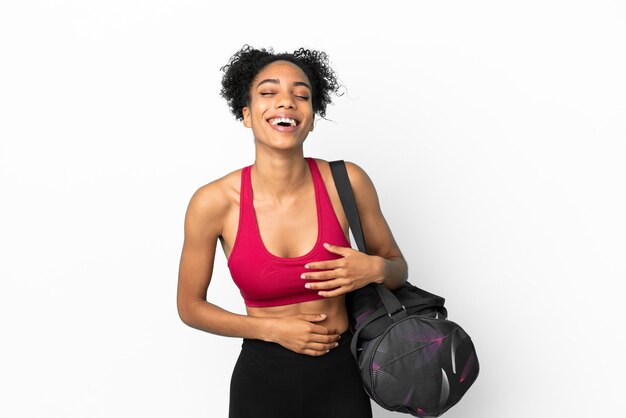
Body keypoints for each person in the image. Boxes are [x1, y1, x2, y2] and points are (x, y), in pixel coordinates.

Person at [176, 45, 408, 418]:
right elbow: (190, 307)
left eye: (301, 95)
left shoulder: (347, 181)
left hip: (341, 376)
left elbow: (398, 269)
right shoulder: (213, 202)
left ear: (312, 117)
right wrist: (272, 330)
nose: (286, 102)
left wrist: (376, 269)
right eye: (268, 93)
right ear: (247, 114)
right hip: (262, 378)